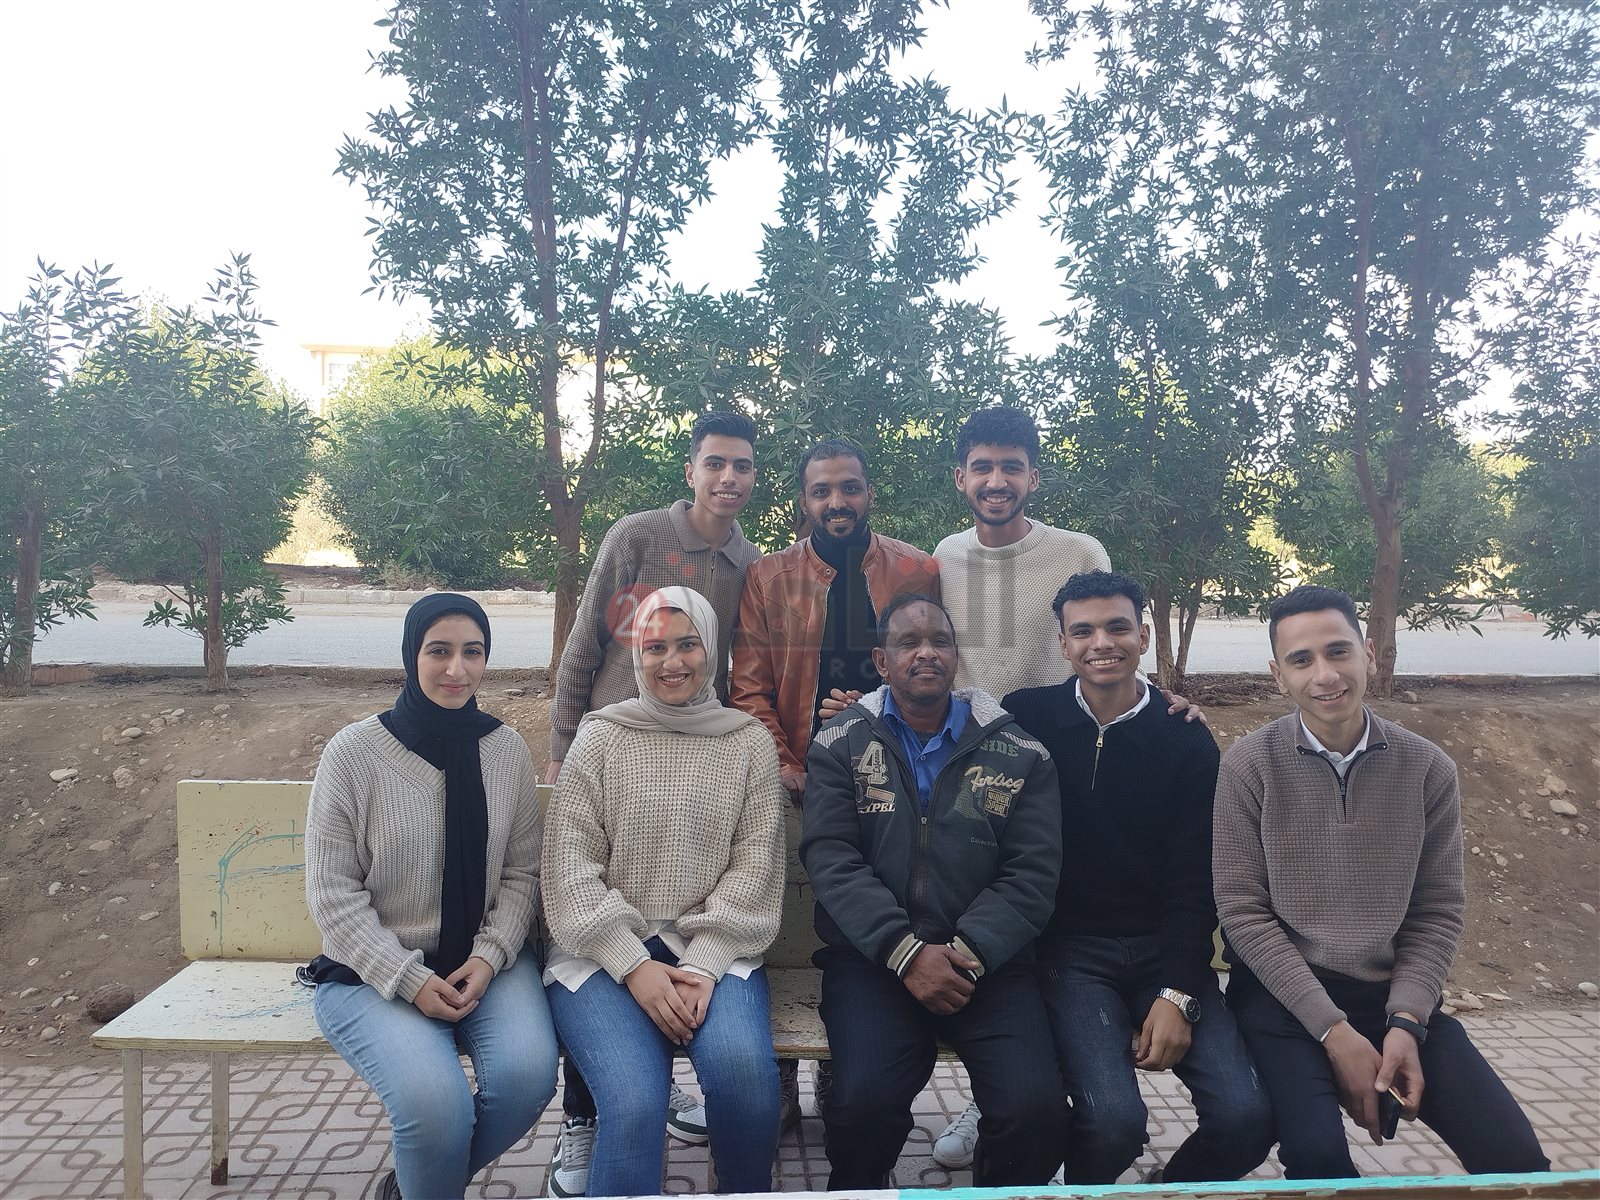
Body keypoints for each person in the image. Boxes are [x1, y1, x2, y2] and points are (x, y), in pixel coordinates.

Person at [1213, 585, 1549, 1179]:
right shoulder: (1250, 765)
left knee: (1516, 1161)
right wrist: (1334, 1032)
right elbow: (1243, 913)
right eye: (1301, 660)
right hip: (1282, 1000)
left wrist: (1407, 1023)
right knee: (1319, 1160)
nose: (1325, 675)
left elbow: (1436, 910)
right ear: (1278, 675)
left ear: (1368, 653)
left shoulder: (1427, 768)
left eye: (1338, 651)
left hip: (1391, 996)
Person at [545, 410, 761, 1191]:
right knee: (626, 1094)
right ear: (691, 469)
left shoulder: (747, 563)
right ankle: (583, 1120)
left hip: (694, 751)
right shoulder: (635, 537)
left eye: (741, 465)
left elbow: (740, 663)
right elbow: (581, 647)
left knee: (739, 1077)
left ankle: (657, 1090)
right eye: (715, 463)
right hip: (612, 744)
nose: (727, 478)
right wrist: (565, 745)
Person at [1002, 571, 1272, 1184]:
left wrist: (1177, 992)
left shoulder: (1185, 740)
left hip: (1164, 951)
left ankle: (1167, 1191)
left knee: (1247, 1118)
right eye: (1083, 631)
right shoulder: (1026, 715)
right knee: (1114, 1122)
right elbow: (936, 712)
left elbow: (1195, 880)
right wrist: (858, 705)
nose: (1101, 643)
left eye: (1117, 627)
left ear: (1144, 635)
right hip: (1069, 954)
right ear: (1063, 643)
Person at [800, 594, 1069, 1189]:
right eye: (908, 642)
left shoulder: (1019, 753)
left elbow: (1032, 872)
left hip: (989, 965)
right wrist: (907, 954)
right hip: (874, 960)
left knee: (1036, 1113)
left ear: (955, 654)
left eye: (939, 641)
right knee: (861, 1105)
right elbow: (831, 857)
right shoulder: (840, 742)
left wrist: (964, 955)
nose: (926, 653)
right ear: (881, 660)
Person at [304, 593, 557, 1200]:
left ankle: (417, 1186)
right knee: (436, 1109)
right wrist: (409, 978)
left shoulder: (505, 750)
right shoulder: (354, 754)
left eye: (473, 652)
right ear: (410, 655)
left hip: (485, 962)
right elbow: (333, 895)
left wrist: (489, 956)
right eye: (438, 651)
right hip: (373, 973)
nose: (456, 669)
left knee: (527, 1080)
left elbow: (522, 874)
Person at [542, 587, 786, 1198]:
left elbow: (755, 864)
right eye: (655, 648)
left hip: (714, 950)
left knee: (747, 1083)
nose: (672, 662)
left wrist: (702, 963)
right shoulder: (601, 737)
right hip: (601, 953)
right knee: (633, 1104)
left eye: (687, 645)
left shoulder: (747, 742)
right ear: (636, 655)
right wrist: (634, 965)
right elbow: (569, 866)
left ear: (712, 649)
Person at [731, 438, 938, 1127]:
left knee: (860, 923)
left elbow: (933, 666)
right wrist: (788, 765)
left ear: (869, 492)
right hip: (795, 777)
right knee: (781, 924)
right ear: (804, 500)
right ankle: (782, 1073)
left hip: (891, 781)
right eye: (821, 490)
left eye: (849, 487)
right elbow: (749, 689)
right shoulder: (768, 577)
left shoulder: (916, 569)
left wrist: (875, 709)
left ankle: (844, 1062)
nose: (837, 501)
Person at [932, 405, 1109, 697]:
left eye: (1012, 468)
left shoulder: (1081, 553)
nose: (996, 482)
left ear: (1033, 478)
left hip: (1056, 725)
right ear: (961, 479)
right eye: (982, 467)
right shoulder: (945, 556)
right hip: (968, 725)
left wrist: (1152, 697)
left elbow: (1112, 646)